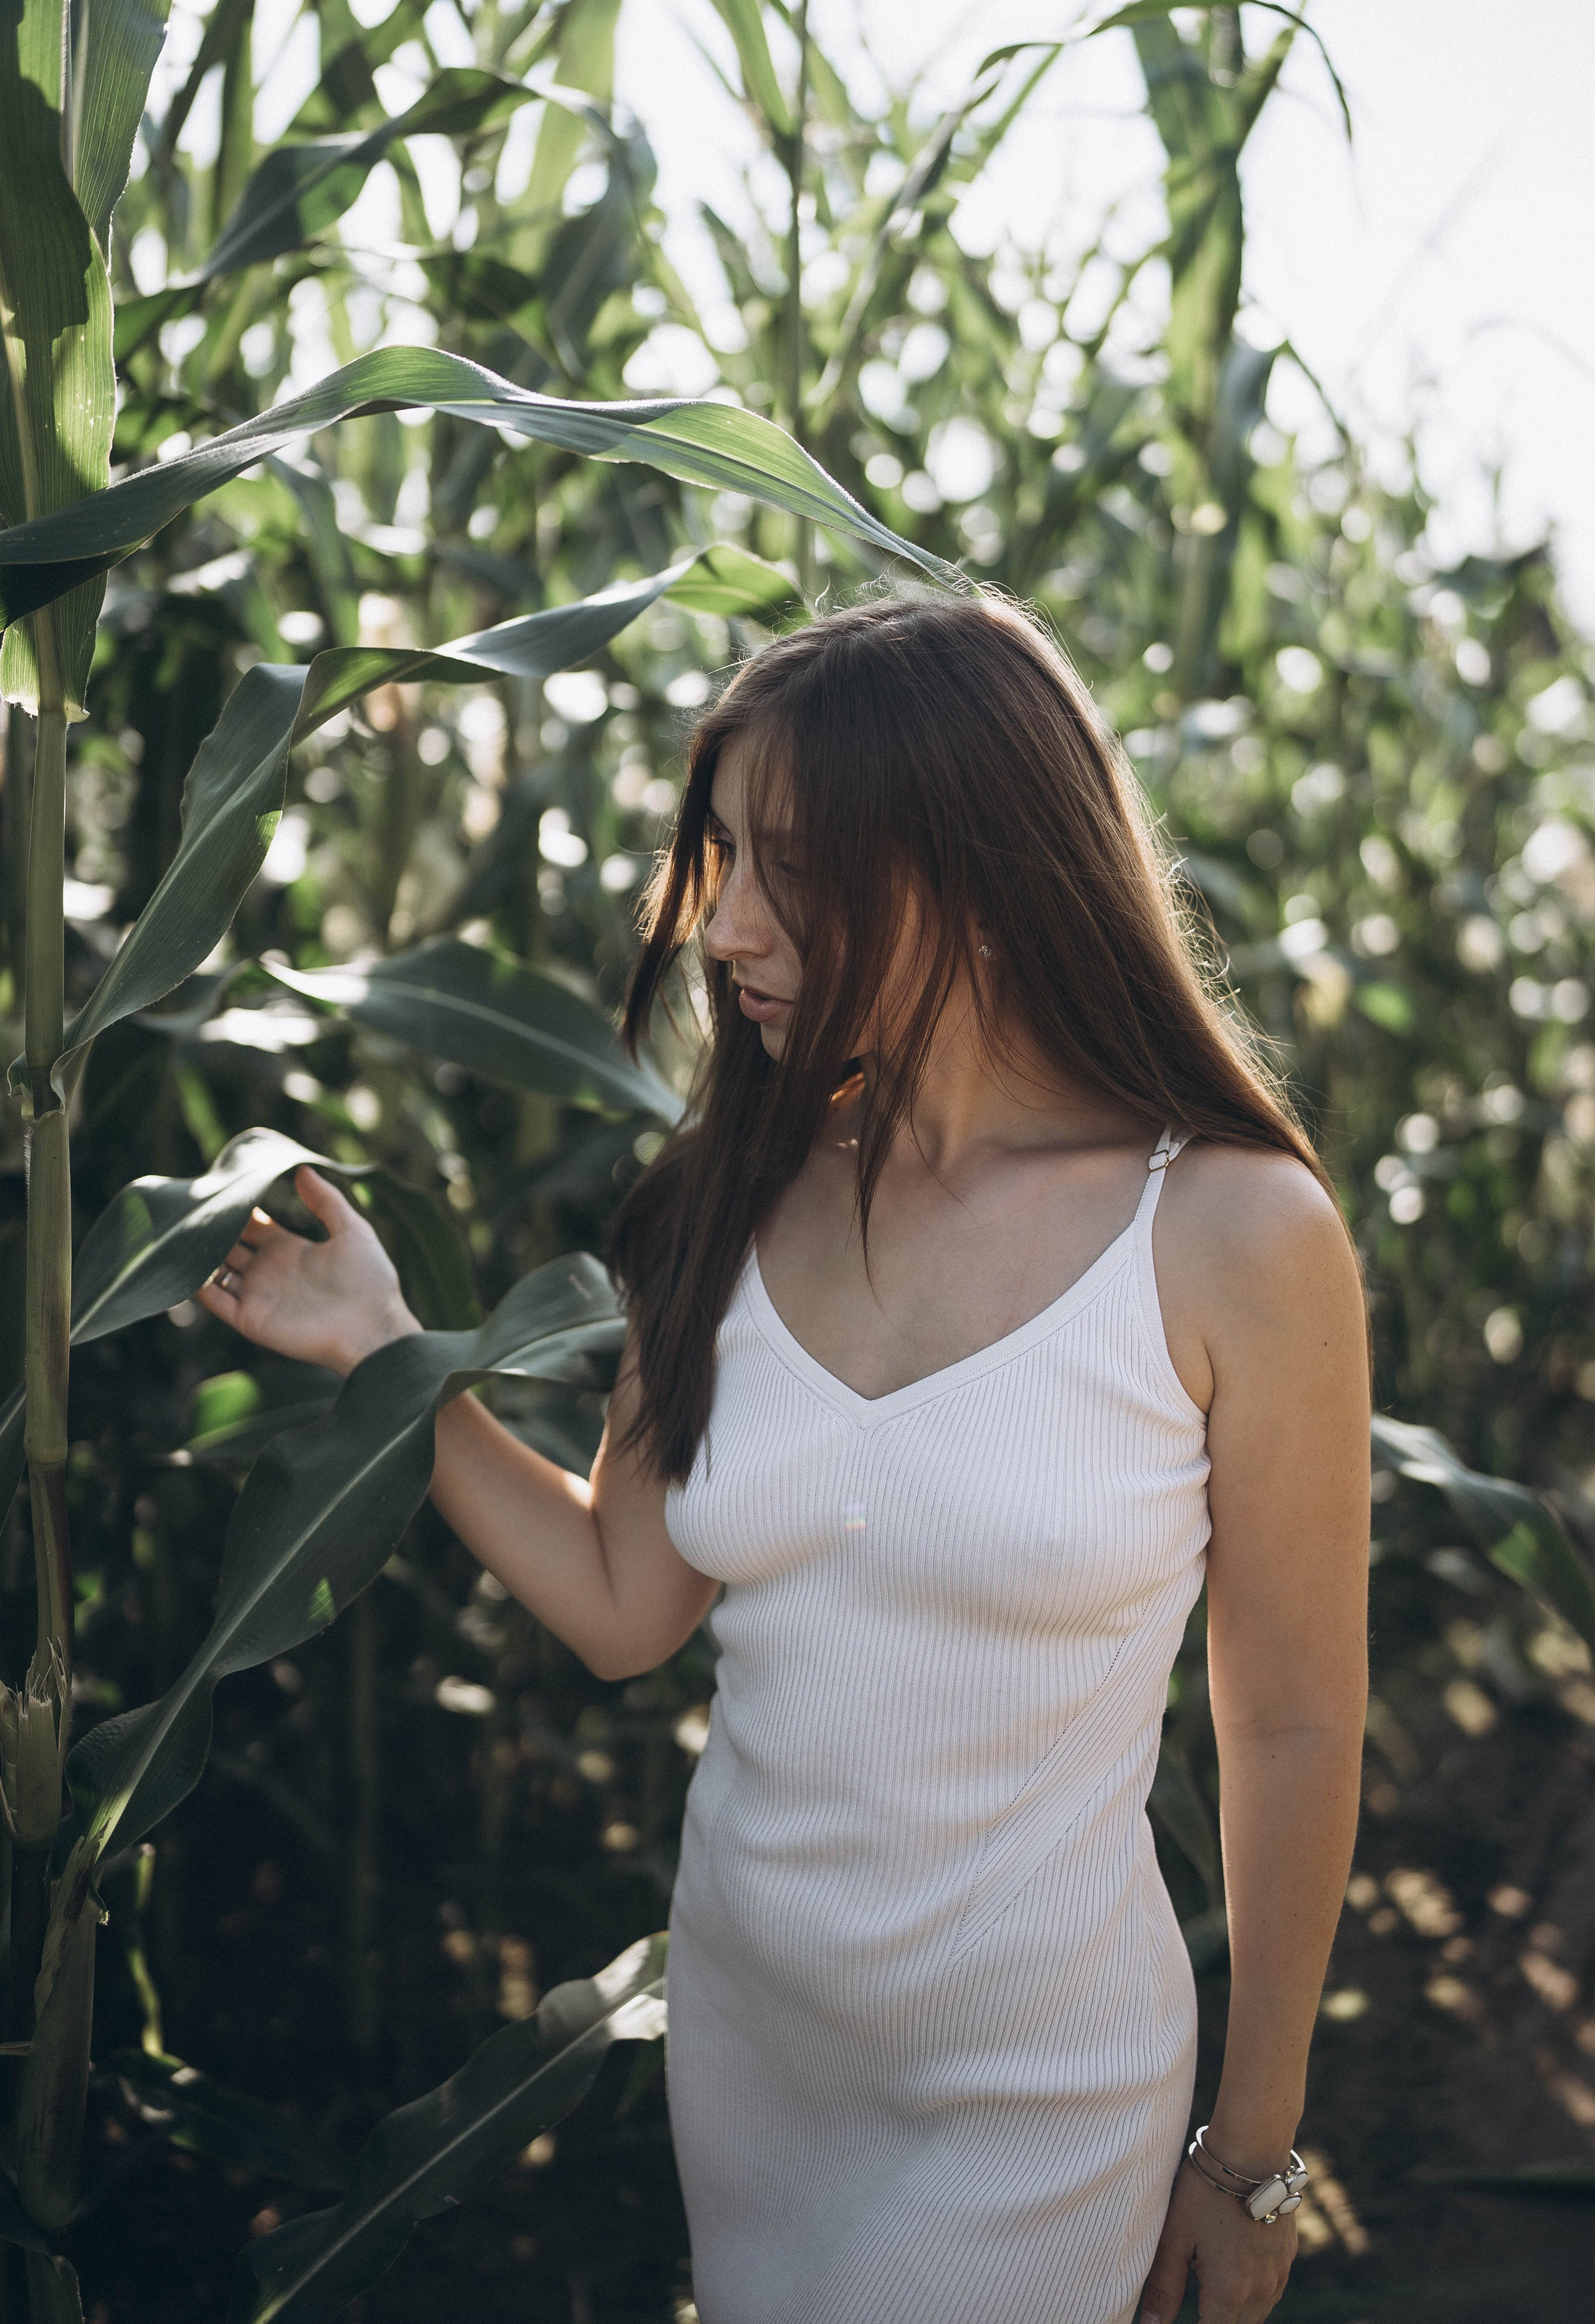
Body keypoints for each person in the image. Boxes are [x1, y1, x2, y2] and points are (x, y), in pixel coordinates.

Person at [201, 594, 1369, 2324]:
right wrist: (395, 1358)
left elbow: (1291, 1720)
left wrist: (1252, 2148)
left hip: (1037, 2091)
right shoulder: (724, 1201)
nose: (724, 921)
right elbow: (625, 1600)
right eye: (724, 854)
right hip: (753, 2055)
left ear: (984, 875)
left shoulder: (1230, 1235)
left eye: (795, 871)